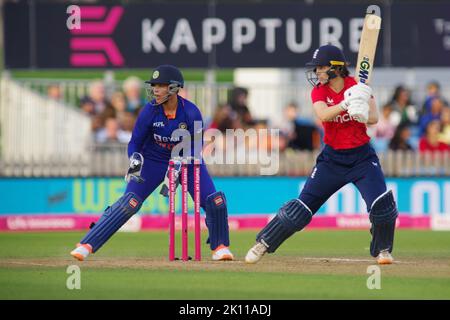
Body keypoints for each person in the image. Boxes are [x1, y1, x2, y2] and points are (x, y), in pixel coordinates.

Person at [245, 45, 398, 265]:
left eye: (321, 67)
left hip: (362, 159)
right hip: (332, 161)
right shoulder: (319, 90)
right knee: (300, 209)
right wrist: (346, 103)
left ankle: (383, 249)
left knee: (382, 207)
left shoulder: (359, 86)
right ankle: (263, 243)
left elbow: (373, 118)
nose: (317, 72)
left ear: (336, 68)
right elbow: (323, 114)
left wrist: (361, 111)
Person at [70, 65, 234, 261]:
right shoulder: (149, 111)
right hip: (153, 161)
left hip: (187, 161)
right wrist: (135, 158)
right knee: (129, 203)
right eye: (154, 85)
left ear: (174, 88)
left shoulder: (191, 112)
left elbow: (196, 145)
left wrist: (181, 161)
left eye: (161, 85)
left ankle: (220, 247)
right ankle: (87, 244)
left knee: (214, 200)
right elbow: (135, 142)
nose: (155, 90)